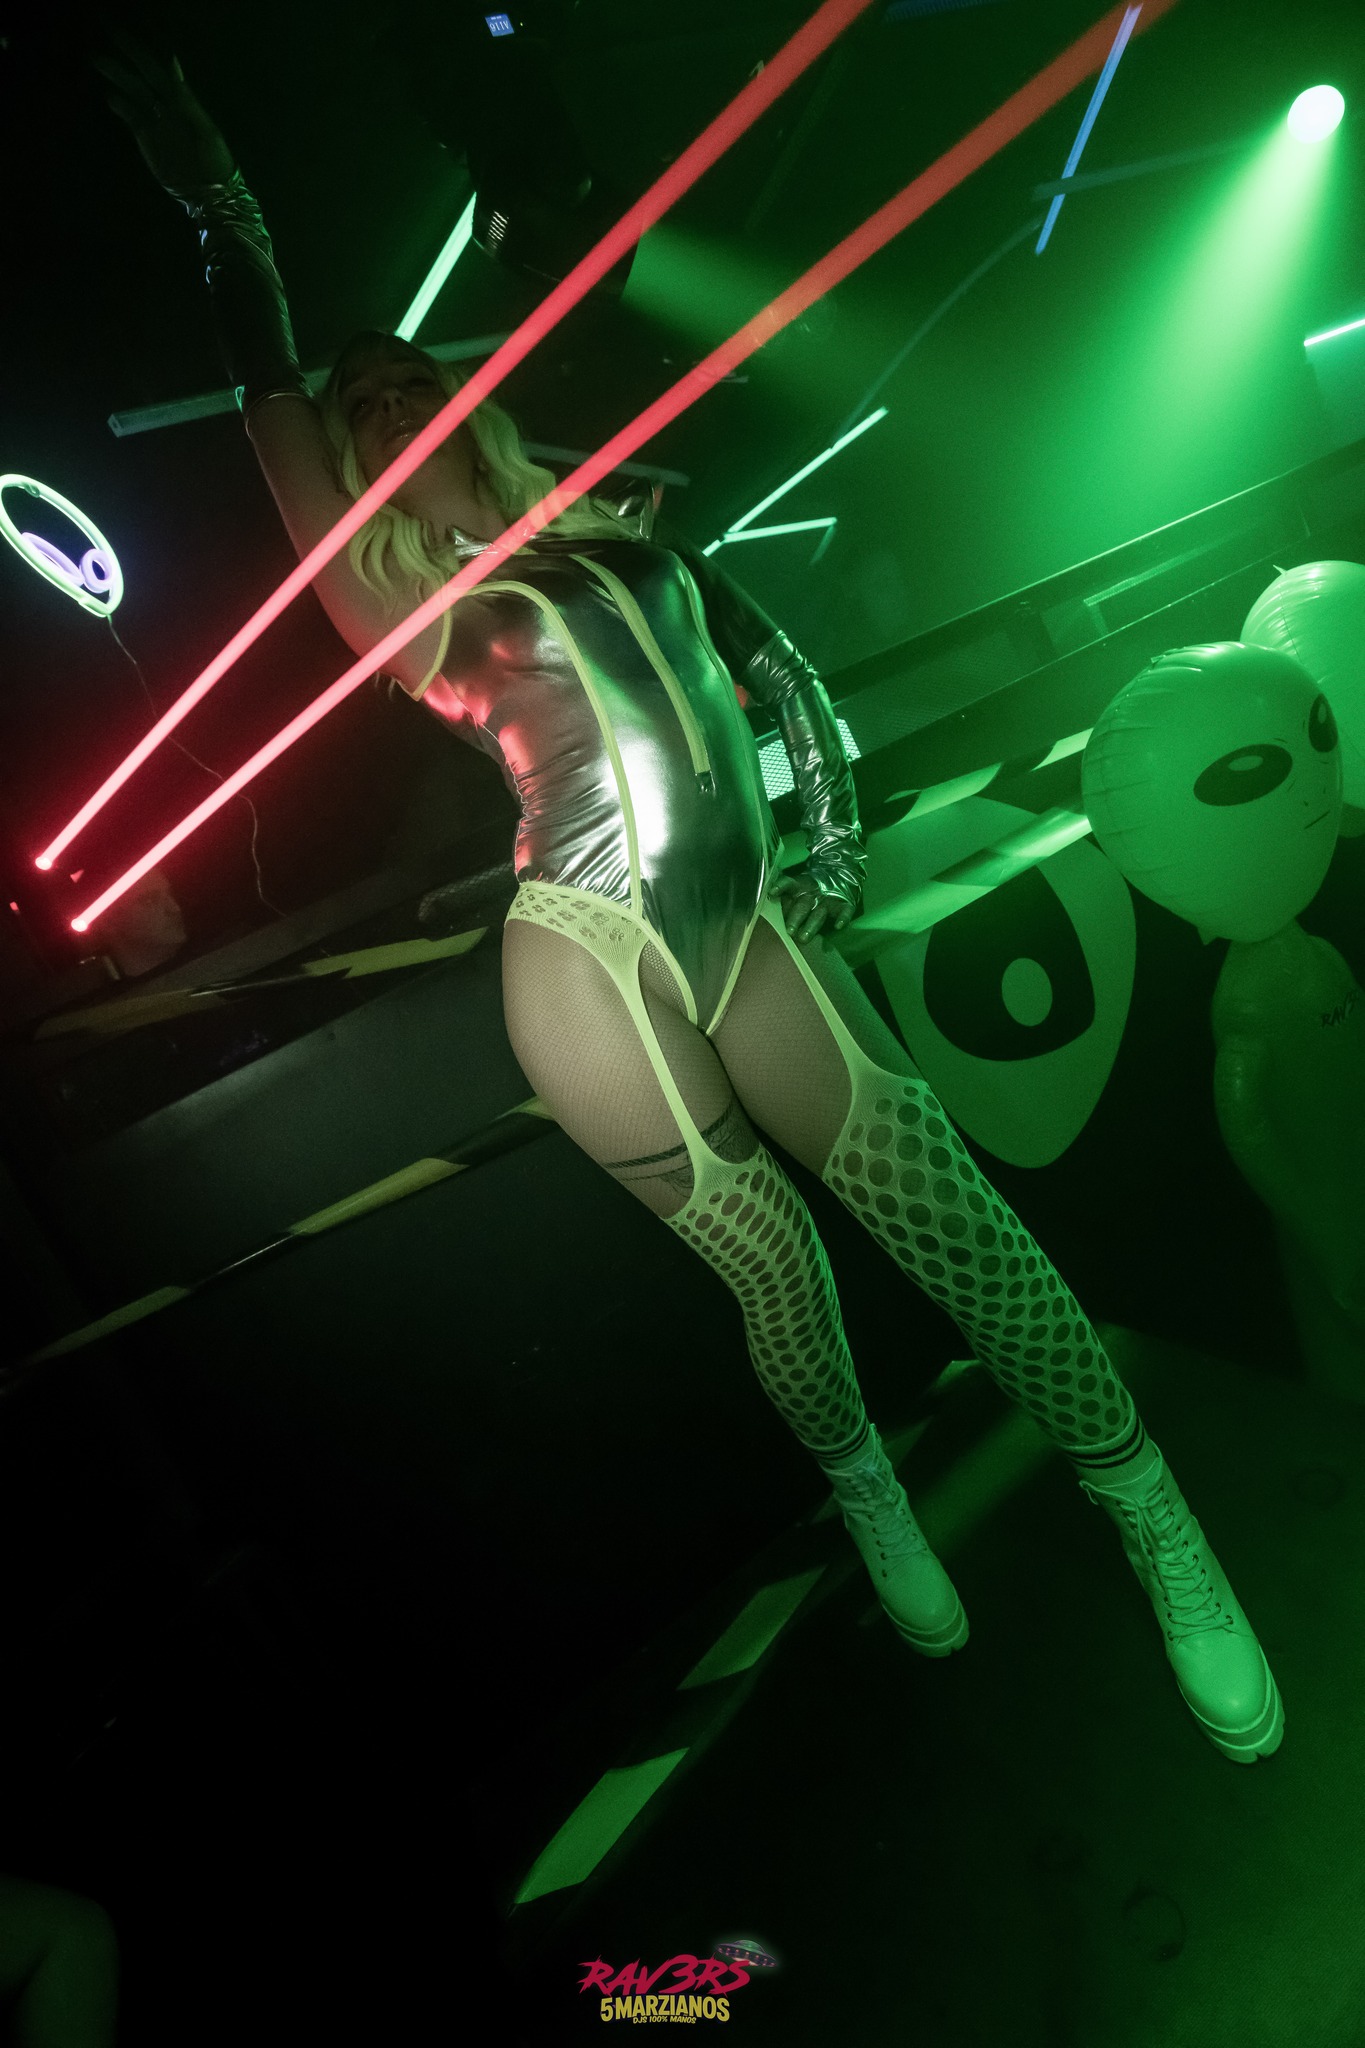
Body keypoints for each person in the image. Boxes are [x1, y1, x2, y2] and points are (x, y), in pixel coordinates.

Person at [91, 34, 1283, 1762]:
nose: (388, 399)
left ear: (469, 401)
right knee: (777, 1277)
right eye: (361, 408)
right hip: (585, 962)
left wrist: (833, 837)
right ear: (348, 461)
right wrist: (217, 199)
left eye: (410, 376)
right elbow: (267, 384)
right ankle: (866, 1489)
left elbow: (777, 675)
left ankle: (1151, 1512)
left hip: (753, 926)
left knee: (946, 1210)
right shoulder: (407, 603)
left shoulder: (628, 527)